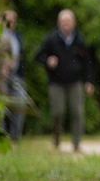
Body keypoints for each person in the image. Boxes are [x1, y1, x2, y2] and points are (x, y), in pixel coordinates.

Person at [35, 9, 95, 152]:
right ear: (58, 23)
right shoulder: (51, 38)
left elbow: (87, 62)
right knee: (58, 112)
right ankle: (56, 139)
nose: (66, 24)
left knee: (77, 112)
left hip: (75, 82)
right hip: (56, 82)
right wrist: (48, 60)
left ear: (73, 23)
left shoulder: (79, 39)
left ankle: (76, 143)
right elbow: (38, 56)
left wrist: (89, 81)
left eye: (68, 21)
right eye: (63, 22)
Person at [0, 9, 28, 141]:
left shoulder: (18, 36)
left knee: (19, 105)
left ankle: (15, 137)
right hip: (0, 78)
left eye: (13, 21)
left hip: (16, 76)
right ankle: (1, 136)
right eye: (8, 21)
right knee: (1, 108)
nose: (10, 23)